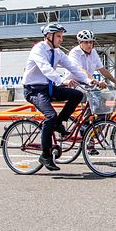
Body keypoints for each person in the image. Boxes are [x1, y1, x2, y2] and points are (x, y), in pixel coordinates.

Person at [22, 23, 97, 171]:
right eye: (59, 36)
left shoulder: (57, 52)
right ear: (49, 36)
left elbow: (72, 67)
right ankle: (45, 155)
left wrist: (89, 80)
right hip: (34, 89)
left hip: (49, 88)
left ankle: (59, 123)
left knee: (77, 95)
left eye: (62, 36)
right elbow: (45, 68)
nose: (61, 40)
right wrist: (63, 81)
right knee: (50, 116)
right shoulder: (38, 49)